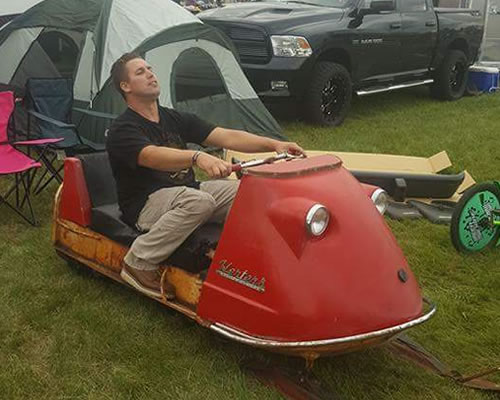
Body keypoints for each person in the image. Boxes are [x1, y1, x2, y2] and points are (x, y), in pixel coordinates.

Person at [106, 52, 305, 299]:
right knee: (200, 201)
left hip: (187, 192)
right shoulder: (122, 128)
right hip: (145, 204)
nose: (150, 74)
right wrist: (197, 157)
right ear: (125, 86)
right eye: (140, 72)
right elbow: (151, 155)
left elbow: (225, 136)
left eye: (150, 68)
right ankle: (138, 262)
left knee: (251, 190)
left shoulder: (173, 117)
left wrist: (274, 144)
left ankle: (242, 256)